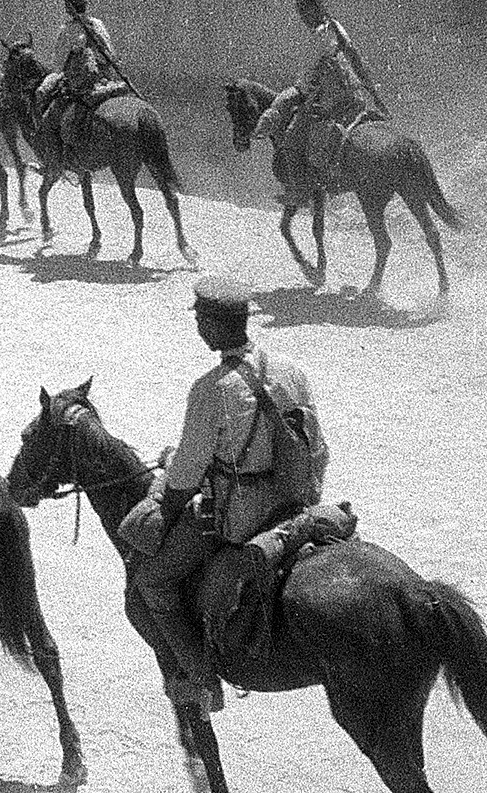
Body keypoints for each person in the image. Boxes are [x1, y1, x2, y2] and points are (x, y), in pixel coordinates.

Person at [130, 278, 337, 714]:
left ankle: (204, 681)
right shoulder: (290, 371)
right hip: (296, 501)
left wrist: (163, 506)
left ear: (210, 325)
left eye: (201, 322)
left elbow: (186, 474)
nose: (199, 330)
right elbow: (317, 447)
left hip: (242, 518)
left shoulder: (212, 388)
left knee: (153, 580)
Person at [251, 0, 387, 184]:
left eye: (306, 11)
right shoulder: (323, 30)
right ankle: (263, 128)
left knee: (292, 139)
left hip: (325, 91)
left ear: (317, 9)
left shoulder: (328, 29)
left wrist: (372, 91)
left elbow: (349, 57)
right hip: (321, 87)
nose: (303, 16)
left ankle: (302, 188)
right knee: (282, 103)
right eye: (301, 13)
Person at [37, 0, 128, 154]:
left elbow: (58, 65)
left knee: (47, 117)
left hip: (79, 85)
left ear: (70, 6)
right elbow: (110, 54)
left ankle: (55, 160)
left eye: (66, 3)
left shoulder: (68, 30)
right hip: (104, 80)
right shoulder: (98, 24)